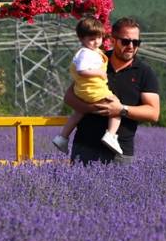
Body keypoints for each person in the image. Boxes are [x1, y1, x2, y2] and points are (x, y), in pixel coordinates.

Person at [62, 17, 160, 165]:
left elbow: (153, 113)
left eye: (136, 42)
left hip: (119, 153)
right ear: (113, 40)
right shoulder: (95, 59)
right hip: (84, 147)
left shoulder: (144, 72)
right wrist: (92, 108)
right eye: (126, 41)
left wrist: (121, 110)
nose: (131, 46)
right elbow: (69, 96)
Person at [53, 16, 122, 155]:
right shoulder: (85, 53)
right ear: (81, 39)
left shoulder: (91, 51)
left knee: (79, 112)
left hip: (82, 91)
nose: (96, 42)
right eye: (92, 39)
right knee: (116, 107)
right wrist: (100, 73)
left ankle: (62, 137)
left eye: (99, 38)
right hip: (93, 90)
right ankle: (111, 135)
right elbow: (82, 71)